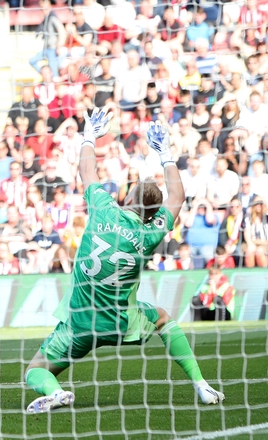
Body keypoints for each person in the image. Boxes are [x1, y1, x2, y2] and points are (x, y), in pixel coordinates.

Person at [25, 115, 224, 414]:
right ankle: (201, 384)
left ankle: (55, 392)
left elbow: (86, 170)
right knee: (162, 317)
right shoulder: (151, 233)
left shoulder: (103, 209)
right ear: (152, 213)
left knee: (35, 370)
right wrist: (165, 153)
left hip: (80, 322)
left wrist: (89, 136)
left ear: (129, 198)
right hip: (121, 323)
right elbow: (178, 196)